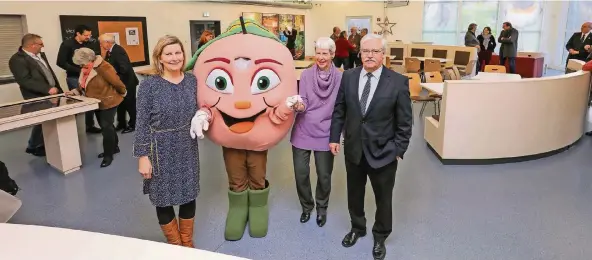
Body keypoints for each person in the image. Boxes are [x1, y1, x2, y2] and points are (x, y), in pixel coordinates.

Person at [188, 17, 299, 241]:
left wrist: (287, 107)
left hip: (258, 135)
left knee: (257, 172)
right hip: (230, 138)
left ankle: (258, 207)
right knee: (235, 173)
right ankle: (238, 208)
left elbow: (277, 111)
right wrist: (203, 114)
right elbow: (209, 103)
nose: (242, 103)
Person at [329, 33, 412, 260]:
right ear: (360, 53)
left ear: (383, 55)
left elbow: (405, 122)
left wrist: (398, 150)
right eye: (366, 51)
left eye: (375, 51)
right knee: (354, 194)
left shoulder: (397, 82)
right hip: (354, 149)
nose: (370, 55)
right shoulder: (348, 77)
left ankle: (380, 235)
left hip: (384, 152)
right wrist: (334, 137)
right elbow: (339, 110)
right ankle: (357, 228)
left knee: (383, 198)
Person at [133, 35, 200, 247]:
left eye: (177, 53)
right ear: (159, 58)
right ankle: (175, 244)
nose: (174, 58)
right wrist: (143, 156)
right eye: (168, 54)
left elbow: (202, 108)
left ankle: (187, 243)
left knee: (189, 194)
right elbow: (142, 123)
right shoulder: (149, 86)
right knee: (163, 198)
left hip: (187, 145)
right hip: (158, 148)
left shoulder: (192, 81)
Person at [290, 37, 342, 227]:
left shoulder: (340, 78)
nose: (321, 57)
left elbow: (340, 109)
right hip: (303, 130)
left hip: (326, 132)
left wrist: (338, 136)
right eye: (318, 53)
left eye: (325, 53)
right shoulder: (305, 75)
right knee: (301, 173)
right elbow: (303, 99)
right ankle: (306, 206)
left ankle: (321, 208)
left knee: (324, 175)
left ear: (332, 54)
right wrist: (299, 105)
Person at [67, 47, 126, 168]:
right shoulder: (86, 68)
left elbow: (117, 82)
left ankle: (108, 155)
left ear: (90, 59)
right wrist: (75, 92)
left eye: (82, 64)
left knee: (106, 127)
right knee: (107, 126)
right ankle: (114, 147)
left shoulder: (104, 67)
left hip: (108, 101)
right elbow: (83, 84)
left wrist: (123, 93)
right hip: (96, 102)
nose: (81, 67)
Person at [8, 34, 62, 157]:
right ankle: (34, 146)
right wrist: (48, 89)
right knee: (40, 121)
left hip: (53, 93)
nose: (43, 46)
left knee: (47, 120)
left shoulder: (40, 55)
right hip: (36, 96)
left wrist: (59, 90)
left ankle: (42, 144)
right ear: (32, 45)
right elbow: (25, 80)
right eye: (40, 44)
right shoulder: (17, 60)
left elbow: (49, 73)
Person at [56, 24, 101, 133]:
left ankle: (89, 126)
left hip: (89, 77)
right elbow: (60, 62)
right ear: (78, 34)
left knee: (89, 99)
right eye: (86, 35)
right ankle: (73, 128)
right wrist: (78, 70)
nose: (88, 37)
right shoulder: (66, 44)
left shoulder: (90, 43)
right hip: (74, 77)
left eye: (89, 35)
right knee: (78, 101)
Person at [99, 34, 139, 134]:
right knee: (120, 104)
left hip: (127, 83)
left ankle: (134, 124)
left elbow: (124, 68)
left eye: (101, 42)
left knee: (130, 105)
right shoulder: (111, 51)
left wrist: (115, 79)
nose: (100, 45)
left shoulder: (118, 51)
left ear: (107, 43)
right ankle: (121, 123)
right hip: (120, 84)